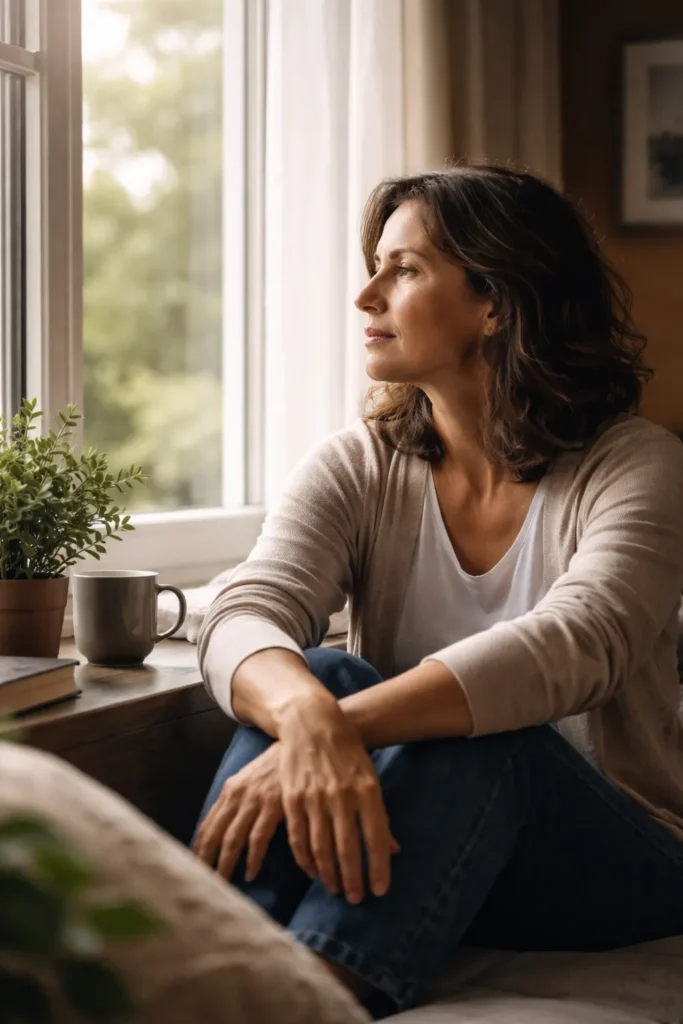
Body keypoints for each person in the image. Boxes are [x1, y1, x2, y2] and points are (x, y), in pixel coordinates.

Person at [192, 164, 683, 1019]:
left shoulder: (635, 464)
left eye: (405, 269)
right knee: (317, 671)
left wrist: (334, 729)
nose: (366, 296)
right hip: (430, 840)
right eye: (374, 264)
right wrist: (310, 718)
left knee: (486, 731)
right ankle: (200, 971)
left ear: (494, 303)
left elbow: (575, 645)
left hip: (621, 859)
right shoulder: (362, 461)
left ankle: (304, 1000)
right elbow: (243, 610)